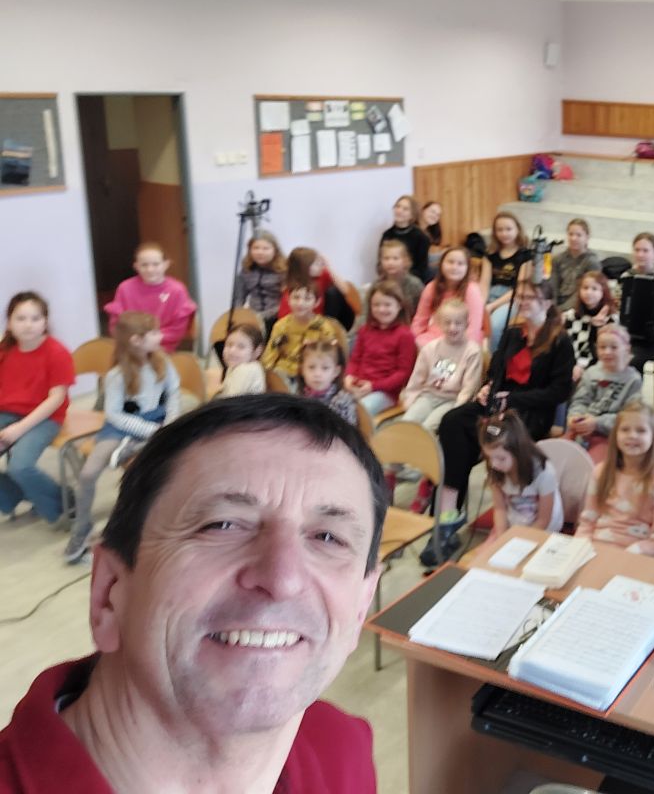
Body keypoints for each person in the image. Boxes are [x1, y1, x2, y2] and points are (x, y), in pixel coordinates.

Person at [0, 394, 386, 791]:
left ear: (360, 608)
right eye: (222, 525)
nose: (282, 579)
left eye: (328, 538)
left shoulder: (341, 750)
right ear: (109, 592)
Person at [434, 273, 573, 521]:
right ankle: (449, 506)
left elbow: (559, 391)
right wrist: (487, 387)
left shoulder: (560, 341)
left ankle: (504, 508)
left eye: (530, 297)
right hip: (499, 403)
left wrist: (515, 400)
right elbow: (496, 370)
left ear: (547, 303)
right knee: (453, 421)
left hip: (530, 411)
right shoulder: (513, 334)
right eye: (521, 296)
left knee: (496, 435)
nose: (523, 301)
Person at [64, 312, 181, 564]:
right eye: (154, 333)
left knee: (153, 466)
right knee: (87, 474)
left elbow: (173, 395)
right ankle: (81, 528)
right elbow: (115, 415)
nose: (160, 336)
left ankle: (143, 524)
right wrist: (151, 431)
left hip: (157, 422)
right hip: (121, 428)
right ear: (136, 340)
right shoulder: (116, 375)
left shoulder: (163, 362)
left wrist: (169, 425)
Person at [0, 292, 72, 525]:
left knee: (20, 467)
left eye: (35, 318)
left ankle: (65, 503)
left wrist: (18, 429)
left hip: (46, 417)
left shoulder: (57, 352)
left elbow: (56, 399)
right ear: (9, 323)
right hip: (7, 412)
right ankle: (17, 493)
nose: (28, 325)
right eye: (20, 319)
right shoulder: (5, 349)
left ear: (45, 322)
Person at [576, 400, 654, 557]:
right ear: (615, 435)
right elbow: (587, 523)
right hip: (594, 551)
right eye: (625, 430)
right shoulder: (600, 472)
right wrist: (579, 550)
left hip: (636, 556)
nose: (632, 436)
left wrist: (625, 557)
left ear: (653, 437)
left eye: (641, 431)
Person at [474, 412, 564, 560]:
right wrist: (502, 538)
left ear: (518, 451)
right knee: (484, 557)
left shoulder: (544, 472)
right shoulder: (496, 469)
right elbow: (500, 509)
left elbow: (543, 520)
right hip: (515, 521)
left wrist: (519, 542)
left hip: (543, 527)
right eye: (489, 458)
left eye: (501, 458)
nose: (494, 464)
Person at [402, 299, 485, 433]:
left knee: (427, 429)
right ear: (439, 324)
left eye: (458, 323)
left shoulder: (472, 351)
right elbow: (417, 379)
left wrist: (457, 410)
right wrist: (410, 401)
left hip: (452, 400)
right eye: (447, 322)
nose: (452, 327)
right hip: (428, 396)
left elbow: (469, 388)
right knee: (406, 423)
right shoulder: (429, 348)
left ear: (466, 324)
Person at [565, 324, 643, 462]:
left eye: (614, 347)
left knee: (593, 463)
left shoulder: (633, 380)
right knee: (560, 457)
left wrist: (597, 423)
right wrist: (575, 417)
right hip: (582, 430)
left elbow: (629, 417)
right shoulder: (591, 373)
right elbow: (580, 401)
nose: (607, 352)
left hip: (609, 434)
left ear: (626, 349)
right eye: (602, 347)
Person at [104, 242, 197, 352]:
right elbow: (116, 325)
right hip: (132, 347)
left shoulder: (177, 290)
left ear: (166, 264)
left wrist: (151, 340)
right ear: (136, 266)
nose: (150, 270)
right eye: (144, 265)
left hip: (165, 348)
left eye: (156, 264)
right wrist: (137, 341)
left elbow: (178, 329)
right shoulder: (124, 288)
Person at [344, 280, 416, 416]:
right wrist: (349, 377)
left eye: (387, 305)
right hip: (358, 385)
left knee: (359, 411)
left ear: (399, 306)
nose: (381, 309)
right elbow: (355, 360)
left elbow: (403, 374)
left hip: (385, 392)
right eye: (376, 305)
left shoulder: (405, 335)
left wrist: (373, 386)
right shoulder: (364, 330)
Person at [618, 232, 654, 373]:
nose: (640, 254)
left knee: (632, 359)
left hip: (653, 340)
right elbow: (618, 307)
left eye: (645, 250)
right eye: (637, 250)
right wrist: (618, 304)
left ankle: (633, 386)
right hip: (626, 335)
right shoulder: (626, 276)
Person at [262, 281, 343, 380]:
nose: (300, 303)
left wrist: (315, 346)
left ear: (317, 302)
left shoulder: (323, 327)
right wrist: (266, 373)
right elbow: (271, 352)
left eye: (307, 299)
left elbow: (331, 354)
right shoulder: (281, 325)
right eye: (296, 297)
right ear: (288, 299)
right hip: (283, 370)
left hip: (310, 373)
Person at [411, 244, 486, 346]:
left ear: (467, 268)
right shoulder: (431, 287)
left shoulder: (472, 290)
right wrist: (411, 340)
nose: (454, 267)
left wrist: (463, 347)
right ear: (441, 264)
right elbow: (420, 319)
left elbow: (474, 326)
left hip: (462, 337)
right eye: (450, 262)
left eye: (460, 264)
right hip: (435, 334)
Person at [482, 211, 533, 350]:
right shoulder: (490, 254)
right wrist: (481, 304)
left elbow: (519, 288)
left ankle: (494, 360)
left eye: (508, 229)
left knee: (494, 325)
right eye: (500, 230)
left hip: (512, 298)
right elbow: (484, 284)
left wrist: (492, 306)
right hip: (491, 294)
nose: (504, 233)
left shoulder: (525, 255)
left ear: (517, 230)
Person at [277, 248, 355, 330]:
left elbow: (346, 290)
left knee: (335, 292)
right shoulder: (292, 291)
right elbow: (284, 323)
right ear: (305, 267)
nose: (321, 265)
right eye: (316, 263)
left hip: (323, 321)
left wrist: (329, 267)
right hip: (306, 327)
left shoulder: (321, 275)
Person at [563, 270, 618, 382]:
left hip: (600, 366)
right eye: (585, 288)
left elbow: (604, 353)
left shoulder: (611, 319)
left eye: (594, 289)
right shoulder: (571, 316)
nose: (588, 292)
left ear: (603, 292)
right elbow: (569, 346)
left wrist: (596, 328)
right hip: (573, 363)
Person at [231, 230, 286, 330]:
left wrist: (263, 316)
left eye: (265, 248)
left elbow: (287, 300)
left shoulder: (284, 270)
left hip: (278, 318)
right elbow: (238, 298)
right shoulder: (246, 270)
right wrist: (239, 315)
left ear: (275, 250)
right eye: (256, 248)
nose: (260, 252)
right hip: (253, 317)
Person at [298, 338, 358, 427]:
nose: (317, 374)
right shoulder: (299, 396)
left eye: (325, 368)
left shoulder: (342, 402)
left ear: (336, 372)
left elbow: (348, 432)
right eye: (311, 367)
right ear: (302, 370)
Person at [550, 218, 602, 310]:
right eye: (571, 234)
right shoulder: (557, 259)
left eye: (578, 235)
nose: (573, 238)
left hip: (579, 305)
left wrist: (561, 310)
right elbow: (553, 286)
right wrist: (552, 306)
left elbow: (586, 292)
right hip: (557, 303)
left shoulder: (592, 262)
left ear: (587, 237)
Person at [380, 194, 431, 283]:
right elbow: (381, 262)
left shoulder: (421, 237)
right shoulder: (387, 235)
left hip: (412, 281)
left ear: (412, 215)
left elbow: (421, 269)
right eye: (398, 207)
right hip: (389, 280)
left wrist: (402, 279)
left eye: (405, 209)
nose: (399, 211)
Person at [213, 322, 266, 398]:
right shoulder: (235, 366)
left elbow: (231, 399)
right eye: (229, 345)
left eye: (241, 347)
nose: (232, 351)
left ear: (257, 351)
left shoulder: (247, 369)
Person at [376, 239, 425, 317]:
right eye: (386, 258)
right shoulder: (377, 285)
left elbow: (422, 312)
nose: (390, 263)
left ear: (405, 261)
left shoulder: (415, 285)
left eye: (395, 258)